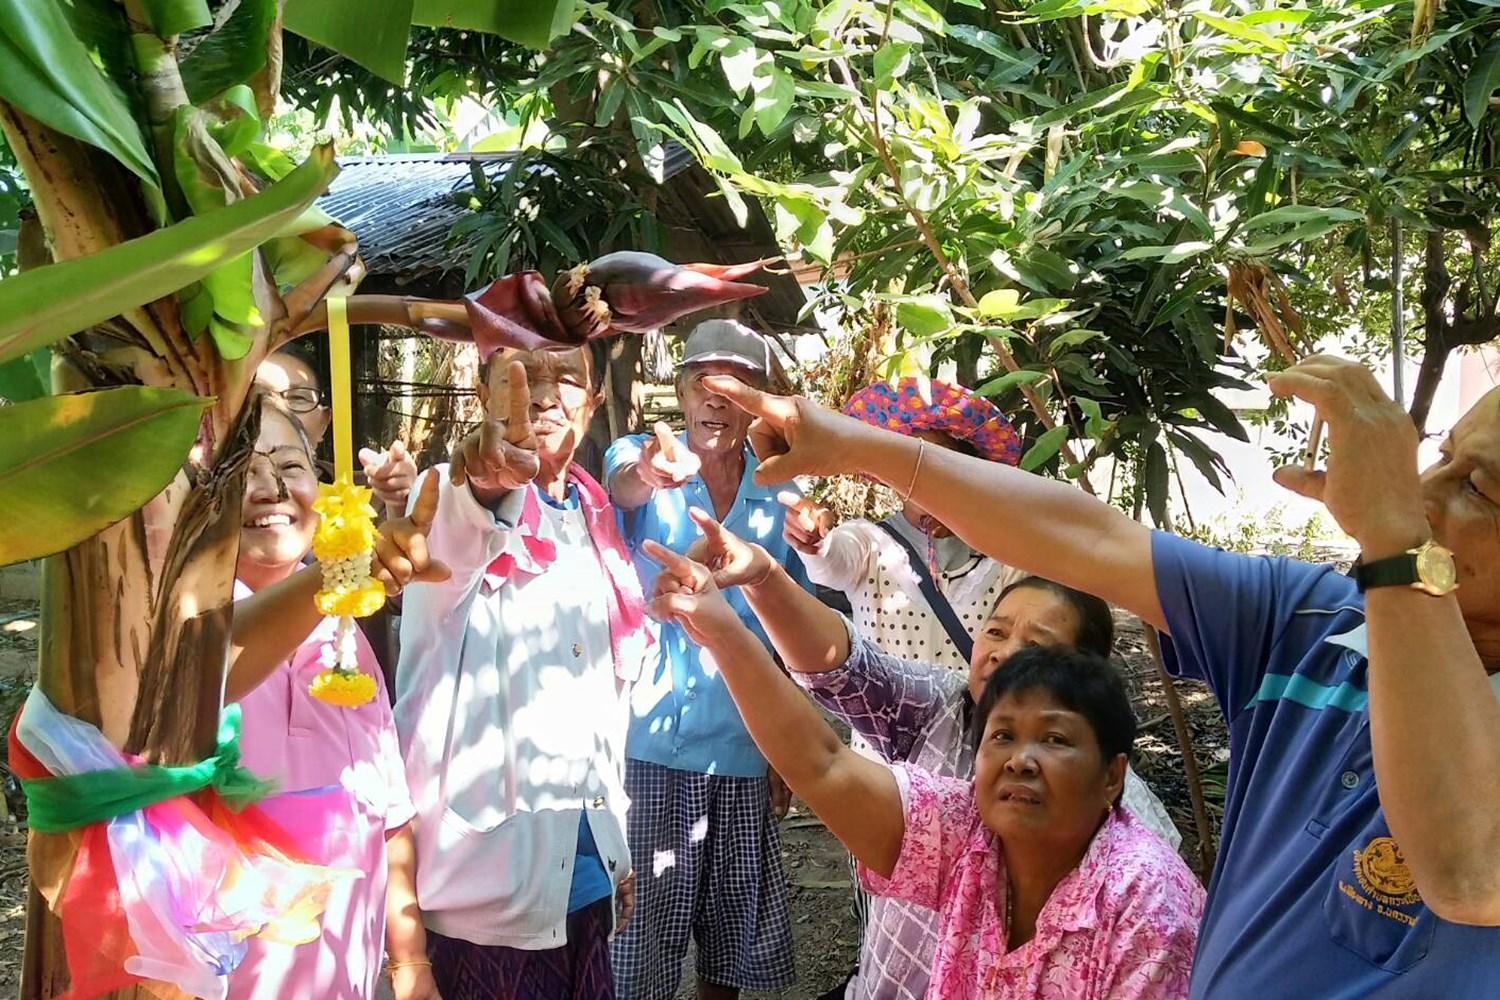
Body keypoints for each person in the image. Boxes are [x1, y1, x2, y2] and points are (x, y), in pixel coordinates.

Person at [698, 356, 1500, 998]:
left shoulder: (1137, 890)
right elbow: (1089, 536)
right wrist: (858, 448)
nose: (1423, 495)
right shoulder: (1306, 619)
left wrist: (1396, 542)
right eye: (1439, 459)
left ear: (1113, 772)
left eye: (1479, 487)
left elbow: (1468, 871)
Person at [644, 528, 1205, 1000]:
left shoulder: (1146, 901)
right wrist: (724, 628)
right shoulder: (965, 829)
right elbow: (823, 761)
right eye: (1001, 735)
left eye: (1054, 738)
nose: (1020, 760)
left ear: (1112, 774)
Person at [783, 378, 1179, 1000]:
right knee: (894, 908)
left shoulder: (1004, 557)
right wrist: (811, 547)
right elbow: (837, 574)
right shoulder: (877, 545)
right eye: (997, 631)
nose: (1005, 651)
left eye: (937, 466)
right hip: (896, 745)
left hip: (976, 751)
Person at [393, 347, 646, 1000]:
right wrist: (486, 479)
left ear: (593, 402)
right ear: (484, 396)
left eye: (566, 378)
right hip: (483, 899)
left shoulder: (591, 518)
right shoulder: (445, 500)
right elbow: (466, 513)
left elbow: (595, 698)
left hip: (580, 881)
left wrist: (610, 846)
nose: (543, 395)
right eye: (521, 378)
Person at [605, 319, 810, 1000]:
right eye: (702, 383)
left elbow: (796, 631)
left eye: (736, 385)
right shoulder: (642, 455)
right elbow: (624, 482)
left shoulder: (780, 491)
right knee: (640, 941)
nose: (716, 399)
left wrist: (786, 749)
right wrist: (649, 471)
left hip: (745, 747)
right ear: (681, 391)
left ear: (760, 402)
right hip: (647, 741)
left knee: (731, 937)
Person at [224, 398, 448, 1000]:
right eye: (242, 469)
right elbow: (220, 664)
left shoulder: (346, 634)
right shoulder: (178, 632)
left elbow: (389, 817)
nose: (269, 488)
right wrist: (343, 570)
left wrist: (409, 963)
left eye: (290, 466)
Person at [257, 340, 416, 519]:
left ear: (324, 421)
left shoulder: (367, 494)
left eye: (297, 398)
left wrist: (399, 501)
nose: (279, 412)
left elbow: (399, 530)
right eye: (261, 397)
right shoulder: (230, 497)